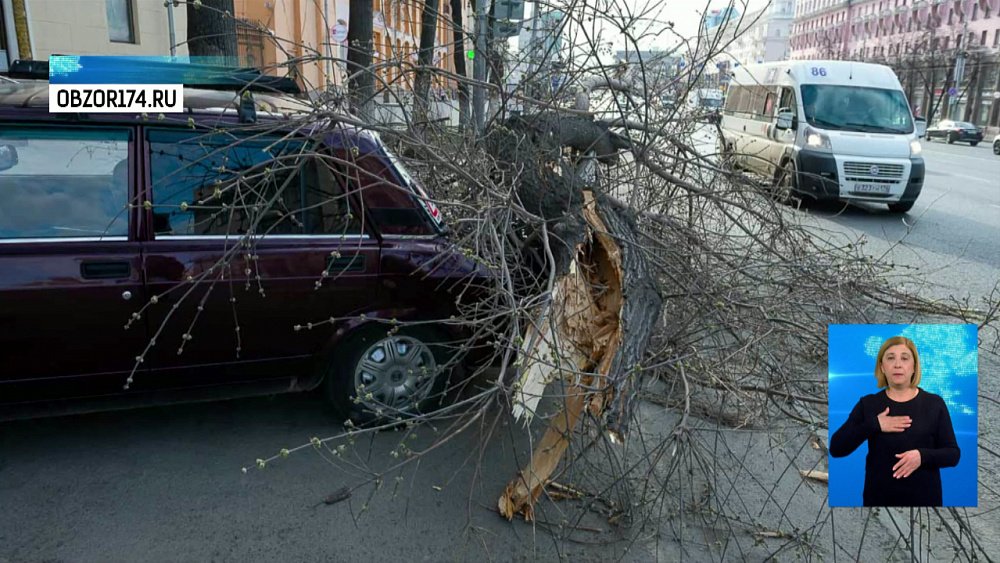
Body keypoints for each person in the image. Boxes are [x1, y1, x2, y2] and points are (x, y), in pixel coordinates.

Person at [830, 336, 960, 506]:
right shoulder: (868, 404)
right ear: (882, 367)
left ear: (914, 367)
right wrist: (875, 425)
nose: (897, 364)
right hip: (878, 502)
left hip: (925, 502)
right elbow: (836, 448)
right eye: (890, 358)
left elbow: (953, 454)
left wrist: (922, 456)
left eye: (904, 358)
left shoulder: (934, 404)